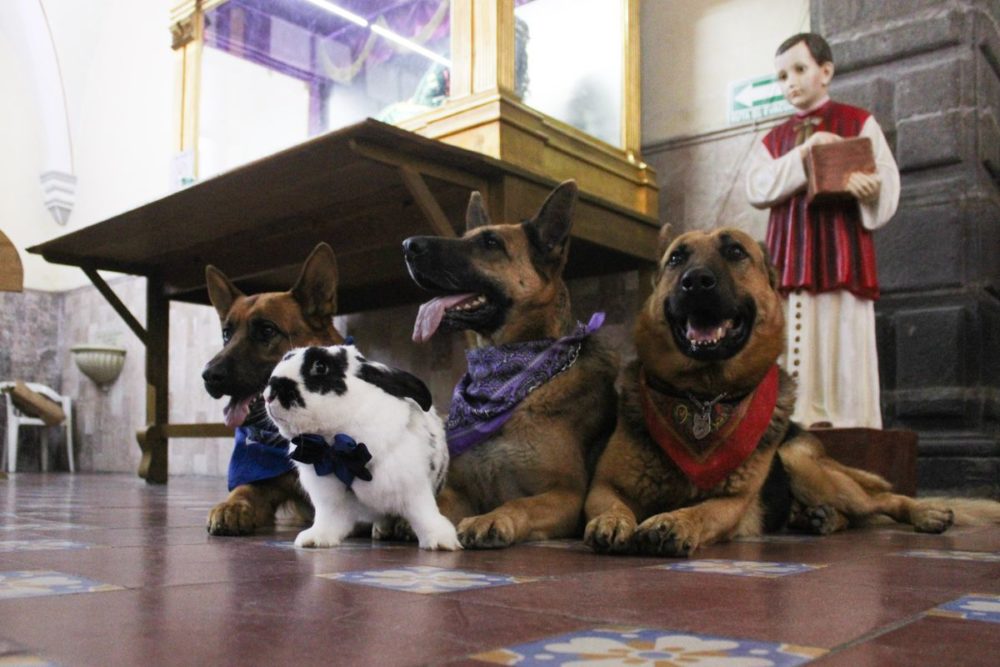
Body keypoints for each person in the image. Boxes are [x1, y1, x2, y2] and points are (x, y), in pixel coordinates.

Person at [746, 32, 900, 429]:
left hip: (841, 250)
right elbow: (757, 186)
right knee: (791, 331)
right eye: (782, 76)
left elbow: (886, 177)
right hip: (791, 251)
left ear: (826, 72)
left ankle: (849, 419)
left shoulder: (858, 122)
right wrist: (805, 153)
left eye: (800, 70)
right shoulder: (775, 140)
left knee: (842, 329)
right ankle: (795, 417)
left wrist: (871, 189)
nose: (791, 83)